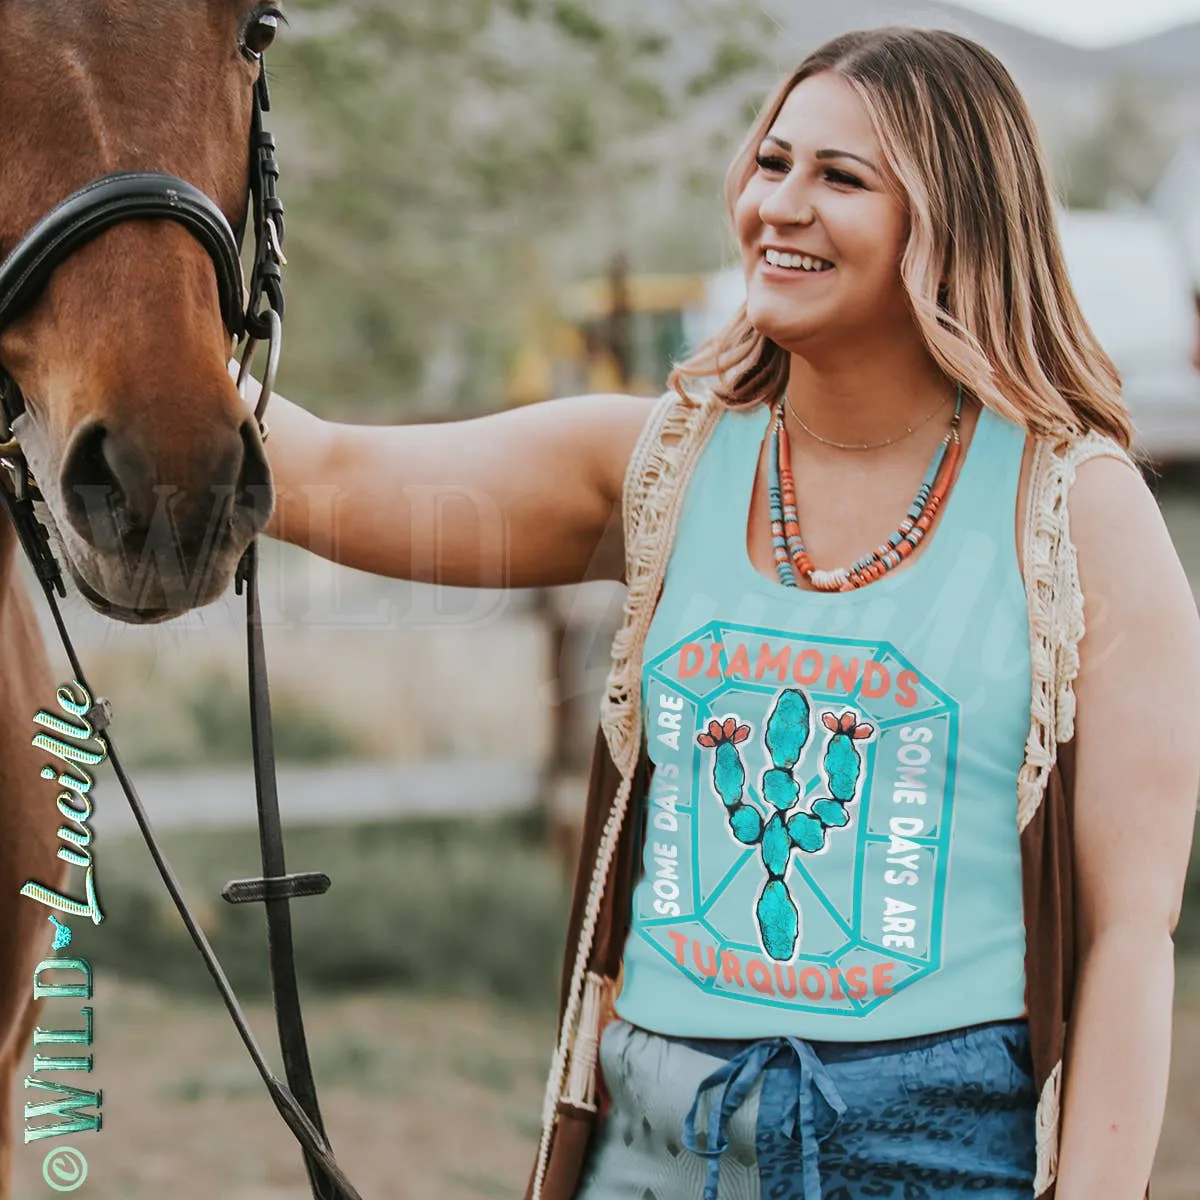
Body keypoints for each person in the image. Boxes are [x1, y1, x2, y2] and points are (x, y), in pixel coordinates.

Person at [241, 26, 1200, 1200]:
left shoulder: (1075, 513)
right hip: (650, 1146)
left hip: (936, 1155)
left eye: (841, 179)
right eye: (772, 162)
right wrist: (101, 280)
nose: (781, 205)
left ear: (954, 220)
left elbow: (1127, 935)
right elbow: (326, 475)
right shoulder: (657, 468)